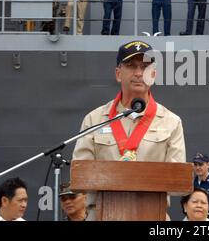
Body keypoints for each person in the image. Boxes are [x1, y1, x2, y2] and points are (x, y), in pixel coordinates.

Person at [72, 40, 186, 219]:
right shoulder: (94, 120)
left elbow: (178, 180)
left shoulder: (171, 122)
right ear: (118, 74)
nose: (139, 73)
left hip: (152, 214)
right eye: (131, 66)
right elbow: (80, 176)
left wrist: (129, 176)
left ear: (153, 74)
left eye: (145, 67)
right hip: (101, 214)